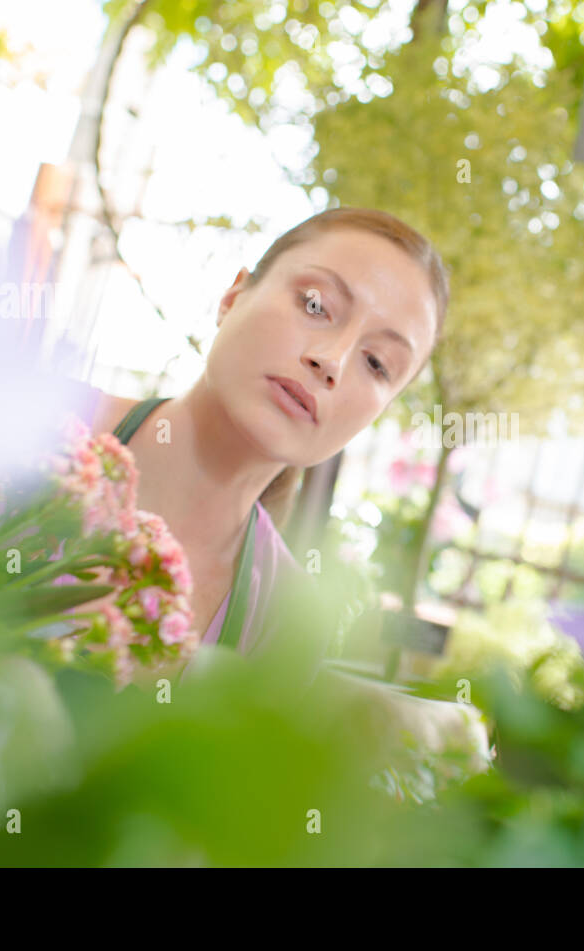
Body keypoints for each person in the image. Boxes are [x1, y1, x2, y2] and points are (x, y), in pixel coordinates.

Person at [84, 207, 449, 665]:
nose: (331, 361)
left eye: (376, 363)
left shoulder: (287, 630)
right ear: (233, 296)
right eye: (315, 305)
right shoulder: (32, 424)